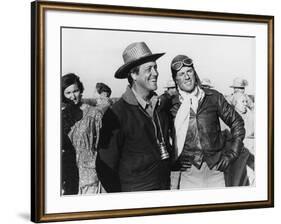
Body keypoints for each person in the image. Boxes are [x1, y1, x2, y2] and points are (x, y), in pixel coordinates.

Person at [96, 42, 171, 192]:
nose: (155, 73)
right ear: (133, 74)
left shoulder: (160, 107)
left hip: (163, 192)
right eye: (149, 69)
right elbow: (104, 167)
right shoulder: (116, 114)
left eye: (155, 67)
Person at [168, 54, 246, 189]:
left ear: (194, 73)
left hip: (215, 170)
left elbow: (237, 123)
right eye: (181, 74)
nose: (186, 77)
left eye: (189, 71)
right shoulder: (171, 105)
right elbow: (160, 135)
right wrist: (174, 161)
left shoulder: (213, 97)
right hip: (188, 173)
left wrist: (231, 155)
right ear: (176, 79)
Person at [62, 73, 103, 194]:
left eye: (75, 91)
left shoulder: (93, 114)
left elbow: (101, 146)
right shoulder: (61, 116)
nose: (73, 96)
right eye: (68, 93)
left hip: (90, 178)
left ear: (81, 91)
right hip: (68, 177)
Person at [231, 92, 255, 185]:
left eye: (246, 101)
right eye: (243, 101)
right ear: (235, 103)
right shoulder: (230, 116)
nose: (245, 103)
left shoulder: (251, 115)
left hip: (250, 152)